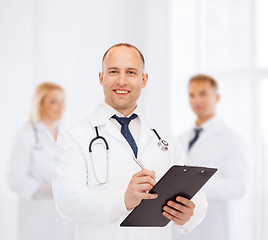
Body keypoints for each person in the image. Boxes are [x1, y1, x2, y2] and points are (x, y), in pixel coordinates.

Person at [52, 43, 208, 240]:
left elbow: (197, 196)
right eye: (113, 71)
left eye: (131, 72)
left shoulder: (165, 139)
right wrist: (123, 200)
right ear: (101, 78)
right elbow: (67, 200)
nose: (122, 81)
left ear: (144, 80)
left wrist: (190, 214)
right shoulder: (74, 136)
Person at [176, 74, 249, 240]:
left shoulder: (232, 139)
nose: (197, 101)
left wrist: (194, 187)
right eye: (192, 95)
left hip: (214, 226)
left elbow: (238, 186)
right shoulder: (180, 139)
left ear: (216, 97)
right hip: (181, 226)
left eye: (203, 94)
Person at [7, 82, 74, 240]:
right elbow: (14, 178)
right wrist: (43, 190)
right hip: (36, 212)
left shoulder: (66, 133)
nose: (61, 106)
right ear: (40, 104)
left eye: (62, 100)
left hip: (62, 212)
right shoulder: (26, 133)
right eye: (53, 101)